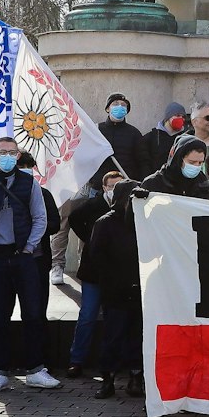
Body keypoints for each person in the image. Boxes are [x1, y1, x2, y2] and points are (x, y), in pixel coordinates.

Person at [0, 137, 60, 394]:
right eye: (2, 152)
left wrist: (29, 248)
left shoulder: (30, 184)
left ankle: (35, 369)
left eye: (11, 152)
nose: (7, 156)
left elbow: (40, 218)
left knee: (32, 314)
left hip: (23, 257)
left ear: (18, 156)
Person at [84, 167, 147, 399]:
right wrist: (114, 279)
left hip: (139, 289)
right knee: (113, 336)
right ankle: (108, 378)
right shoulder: (105, 223)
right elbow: (97, 256)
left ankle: (135, 377)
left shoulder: (145, 222)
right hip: (116, 291)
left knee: (136, 336)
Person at [65, 168, 126, 379]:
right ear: (104, 188)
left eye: (119, 186)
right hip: (93, 271)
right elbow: (73, 219)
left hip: (117, 273)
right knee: (87, 316)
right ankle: (76, 360)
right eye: (111, 186)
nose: (114, 190)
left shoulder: (127, 207)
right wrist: (90, 240)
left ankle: (110, 363)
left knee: (114, 318)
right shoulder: (93, 206)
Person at [96, 92, 147, 181]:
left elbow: (143, 161)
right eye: (115, 104)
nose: (120, 106)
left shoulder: (134, 133)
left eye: (123, 105)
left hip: (126, 184)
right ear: (108, 108)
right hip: (99, 185)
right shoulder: (97, 130)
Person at [139, 100, 188, 178]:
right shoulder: (151, 137)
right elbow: (144, 163)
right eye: (178, 115)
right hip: (155, 182)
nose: (181, 119)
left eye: (183, 117)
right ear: (168, 117)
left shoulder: (185, 138)